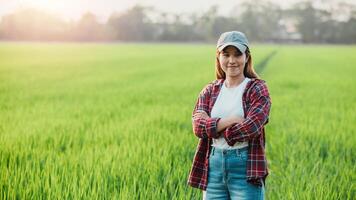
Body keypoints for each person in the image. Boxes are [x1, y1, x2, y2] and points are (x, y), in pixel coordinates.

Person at [187, 31, 272, 200]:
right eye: (226, 54)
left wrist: (213, 127)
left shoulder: (257, 89)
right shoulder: (210, 90)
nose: (232, 60)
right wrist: (231, 121)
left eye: (237, 54)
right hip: (213, 167)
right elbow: (198, 127)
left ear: (246, 57)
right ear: (218, 57)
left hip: (245, 168)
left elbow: (251, 128)